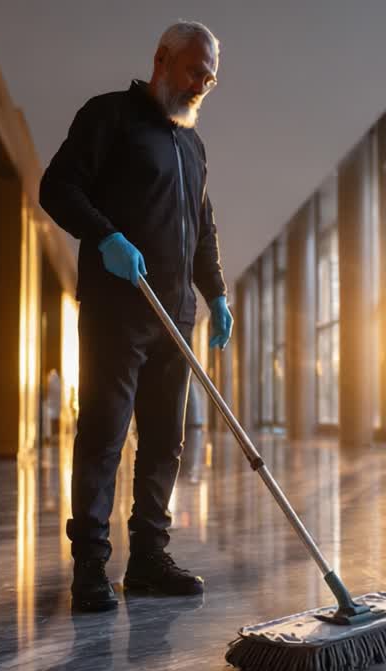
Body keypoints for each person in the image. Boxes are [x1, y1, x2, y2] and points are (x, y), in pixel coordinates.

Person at [40, 20, 233, 611]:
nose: (203, 82)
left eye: (211, 75)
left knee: (165, 443)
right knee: (102, 435)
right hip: (117, 313)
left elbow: (202, 229)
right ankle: (91, 567)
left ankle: (149, 558)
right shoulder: (108, 117)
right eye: (195, 69)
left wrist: (217, 292)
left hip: (175, 319)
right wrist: (106, 237)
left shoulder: (192, 143)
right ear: (162, 59)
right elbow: (58, 188)